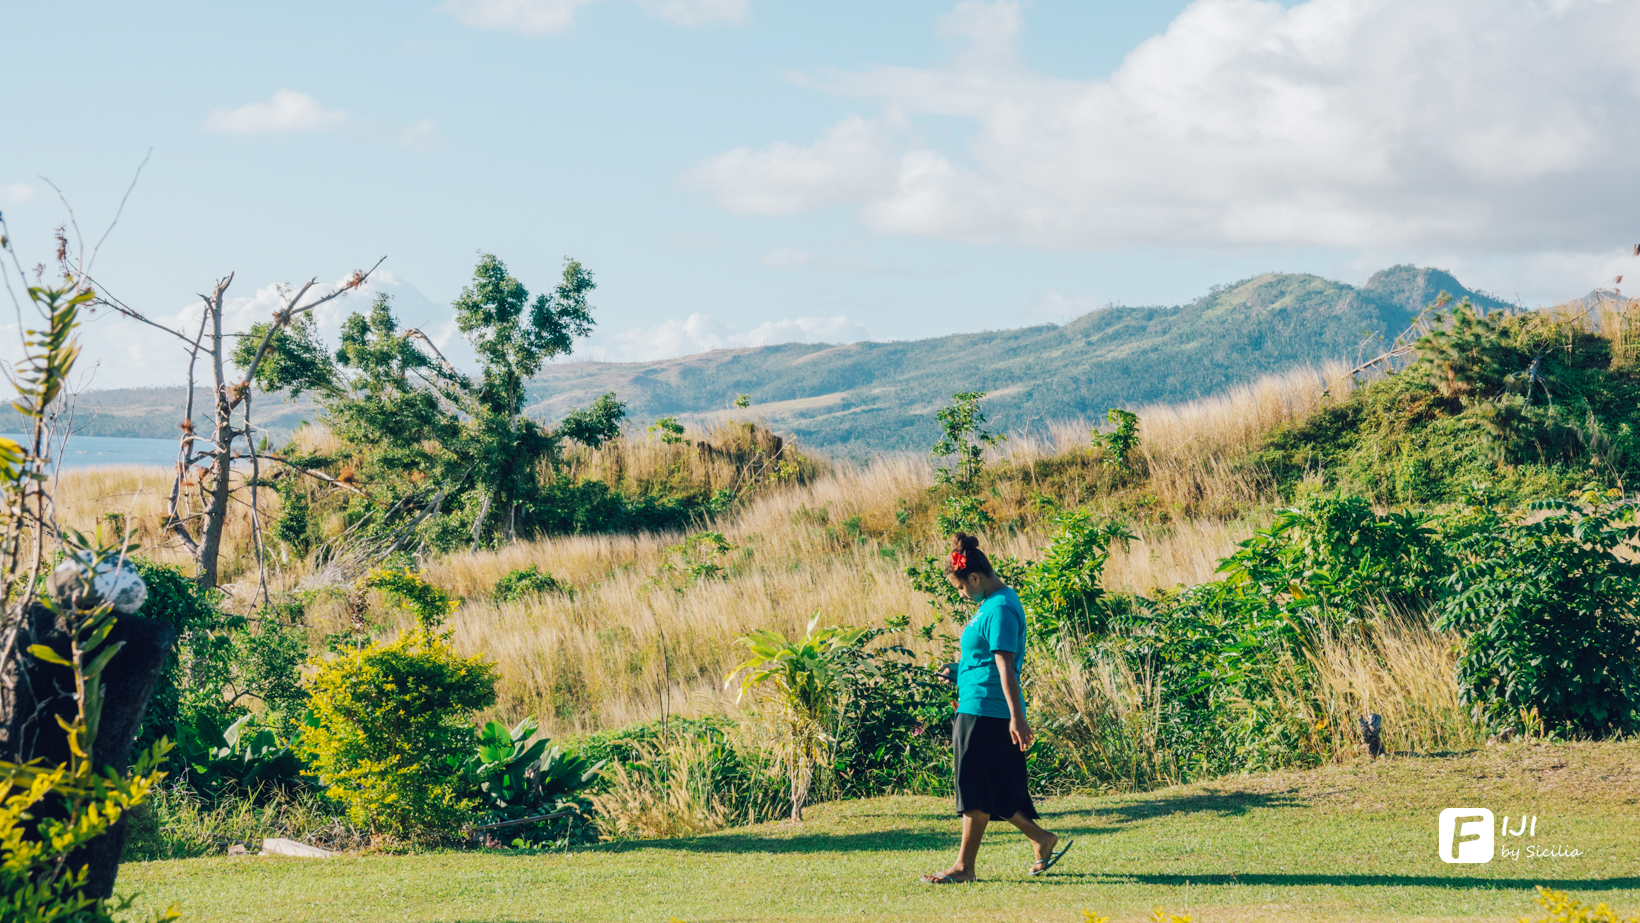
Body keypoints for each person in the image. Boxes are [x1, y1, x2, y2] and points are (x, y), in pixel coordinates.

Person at [921, 533, 1072, 884]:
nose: (962, 594)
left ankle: (964, 868)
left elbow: (1006, 666)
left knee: (973, 787)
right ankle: (1041, 838)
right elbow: (986, 659)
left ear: (975, 577)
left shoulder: (1001, 607)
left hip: (985, 710)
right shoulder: (990, 606)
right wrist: (959, 671)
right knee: (995, 787)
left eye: (961, 588)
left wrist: (1017, 718)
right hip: (978, 704)